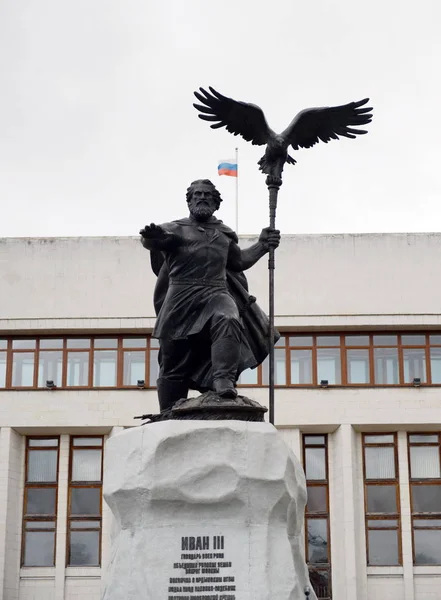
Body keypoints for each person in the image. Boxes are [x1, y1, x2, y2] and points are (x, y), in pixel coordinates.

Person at [140, 179, 280, 412]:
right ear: (189, 200)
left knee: (228, 318)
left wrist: (262, 245)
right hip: (181, 295)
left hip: (216, 290)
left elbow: (238, 261)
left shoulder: (223, 234)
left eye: (208, 195)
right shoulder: (176, 229)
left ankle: (223, 381)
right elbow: (155, 240)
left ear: (216, 203)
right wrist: (151, 237)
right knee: (173, 359)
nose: (202, 198)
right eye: (197, 195)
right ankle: (167, 411)